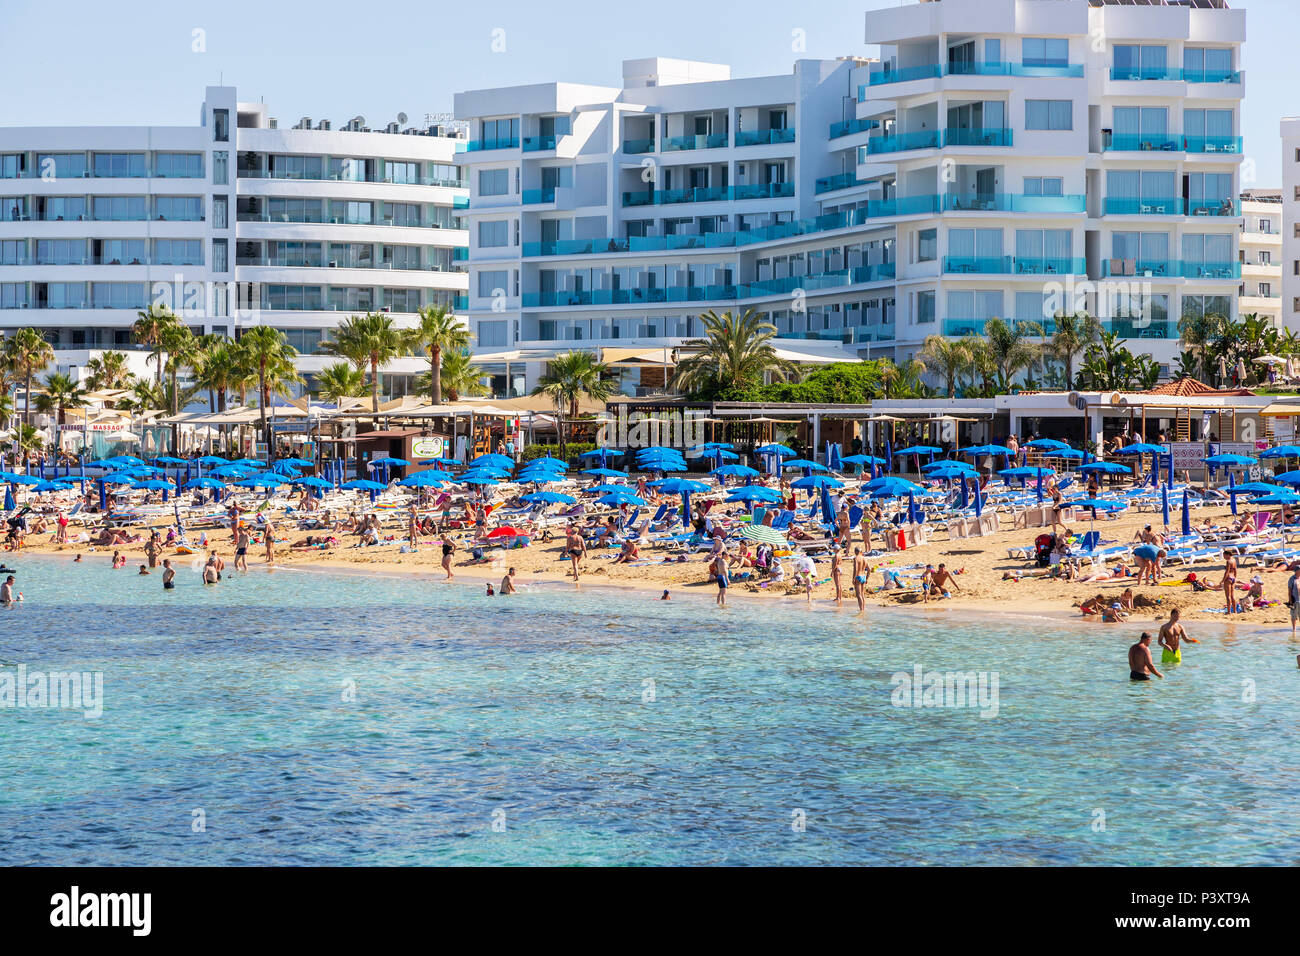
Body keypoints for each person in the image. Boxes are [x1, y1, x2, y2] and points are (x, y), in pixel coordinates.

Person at [851, 547, 870, 613]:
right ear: (861, 552)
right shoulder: (864, 558)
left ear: (855, 552)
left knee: (858, 595)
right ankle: (863, 609)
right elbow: (869, 569)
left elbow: (856, 569)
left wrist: (853, 578)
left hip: (858, 576)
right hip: (863, 576)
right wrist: (867, 578)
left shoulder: (856, 558)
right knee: (862, 594)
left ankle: (861, 610)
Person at [1290, 565, 1300, 639]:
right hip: (1294, 599)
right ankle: (1294, 629)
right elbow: (1289, 590)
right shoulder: (1292, 579)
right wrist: (1290, 601)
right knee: (1294, 615)